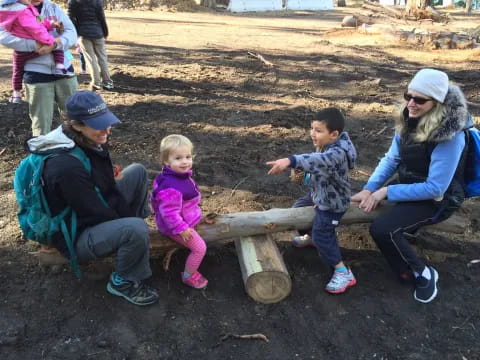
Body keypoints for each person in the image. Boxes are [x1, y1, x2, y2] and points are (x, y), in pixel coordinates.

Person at [25, 90, 159, 306]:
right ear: (77, 125)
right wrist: (126, 223)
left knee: (137, 171)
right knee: (134, 229)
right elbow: (94, 212)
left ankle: (133, 239)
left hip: (91, 207)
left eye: (106, 121)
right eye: (99, 124)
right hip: (75, 233)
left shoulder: (87, 139)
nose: (107, 129)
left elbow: (102, 186)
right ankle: (122, 281)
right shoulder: (65, 167)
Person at [351, 68, 472, 304]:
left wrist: (386, 191)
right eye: (409, 96)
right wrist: (370, 187)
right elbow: (392, 159)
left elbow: (436, 188)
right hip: (411, 182)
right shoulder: (408, 119)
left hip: (439, 198)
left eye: (419, 100)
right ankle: (406, 238)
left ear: (437, 103)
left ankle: (424, 273)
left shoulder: (451, 137)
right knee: (366, 205)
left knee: (383, 229)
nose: (411, 104)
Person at [266, 108, 358, 294]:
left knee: (324, 234)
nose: (312, 134)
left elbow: (319, 161)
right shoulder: (327, 144)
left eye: (318, 130)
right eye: (312, 128)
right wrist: (304, 177)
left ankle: (342, 271)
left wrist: (290, 161)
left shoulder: (337, 153)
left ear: (334, 134)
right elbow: (319, 173)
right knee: (297, 210)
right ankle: (310, 237)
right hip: (320, 194)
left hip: (333, 202)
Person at [0, 0, 78, 136]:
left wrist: (56, 44)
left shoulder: (52, 7)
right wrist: (33, 45)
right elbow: (3, 35)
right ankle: (42, 154)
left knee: (75, 118)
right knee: (41, 124)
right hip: (36, 73)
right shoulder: (10, 8)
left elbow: (71, 32)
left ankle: (75, 152)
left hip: (64, 70)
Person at [150, 135, 208, 290]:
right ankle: (188, 276)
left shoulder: (176, 175)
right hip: (174, 226)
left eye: (188, 157)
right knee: (200, 248)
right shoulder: (171, 186)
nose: (185, 161)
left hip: (184, 217)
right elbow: (168, 212)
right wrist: (181, 228)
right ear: (166, 161)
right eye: (178, 158)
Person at [67, 0, 113, 91]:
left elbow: (71, 19)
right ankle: (108, 82)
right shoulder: (97, 1)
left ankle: (96, 83)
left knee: (91, 59)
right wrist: (105, 32)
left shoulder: (73, 2)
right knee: (102, 57)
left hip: (83, 34)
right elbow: (102, 17)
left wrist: (76, 32)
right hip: (98, 32)